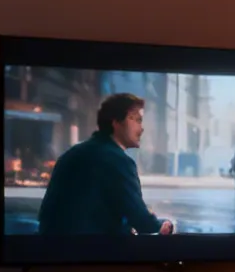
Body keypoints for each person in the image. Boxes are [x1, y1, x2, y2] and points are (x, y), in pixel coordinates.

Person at [37, 93, 176, 236]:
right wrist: (163, 225)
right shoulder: (119, 161)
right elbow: (141, 221)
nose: (142, 128)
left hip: (51, 246)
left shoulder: (72, 154)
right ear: (116, 122)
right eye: (137, 120)